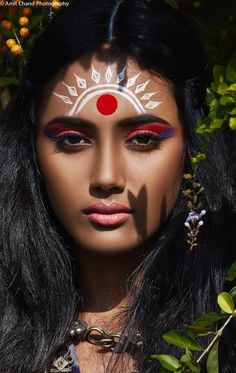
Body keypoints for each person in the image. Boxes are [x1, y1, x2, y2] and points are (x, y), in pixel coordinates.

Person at [0, 0, 235, 372]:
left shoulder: (226, 327)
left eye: (142, 139)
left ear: (193, 145)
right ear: (31, 147)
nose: (107, 177)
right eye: (73, 140)